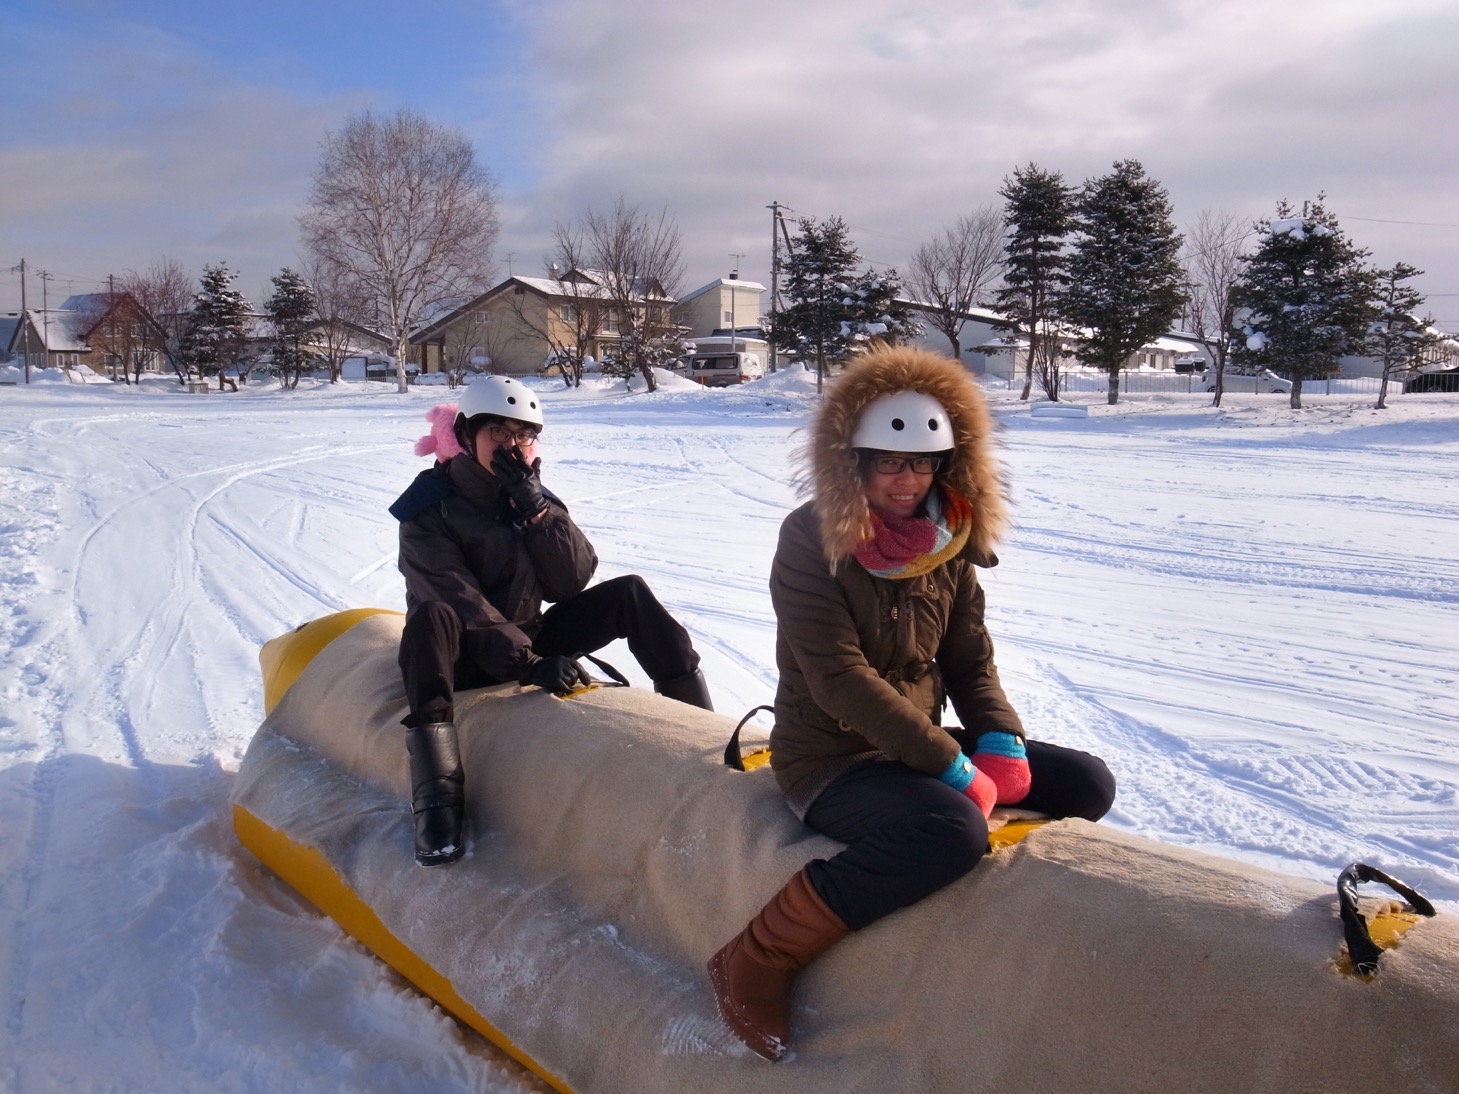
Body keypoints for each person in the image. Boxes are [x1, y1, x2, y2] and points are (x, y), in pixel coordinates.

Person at [708, 346, 1116, 1061]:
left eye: (923, 463)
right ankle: (758, 956)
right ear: (853, 463)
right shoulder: (810, 538)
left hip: (912, 744)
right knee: (951, 830)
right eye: (889, 463)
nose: (907, 480)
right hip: (832, 757)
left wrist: (998, 737)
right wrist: (949, 765)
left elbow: (969, 660)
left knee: (1086, 782)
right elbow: (837, 677)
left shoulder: (946, 540)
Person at [390, 375, 712, 867]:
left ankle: (702, 730)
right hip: (458, 656)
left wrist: (538, 513)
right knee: (432, 617)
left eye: (523, 435)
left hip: (528, 639)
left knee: (630, 593)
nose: (512, 446)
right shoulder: (428, 508)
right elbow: (457, 596)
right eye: (498, 432)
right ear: (466, 433)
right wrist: (528, 662)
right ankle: (437, 801)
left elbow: (571, 582)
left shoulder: (528, 496)